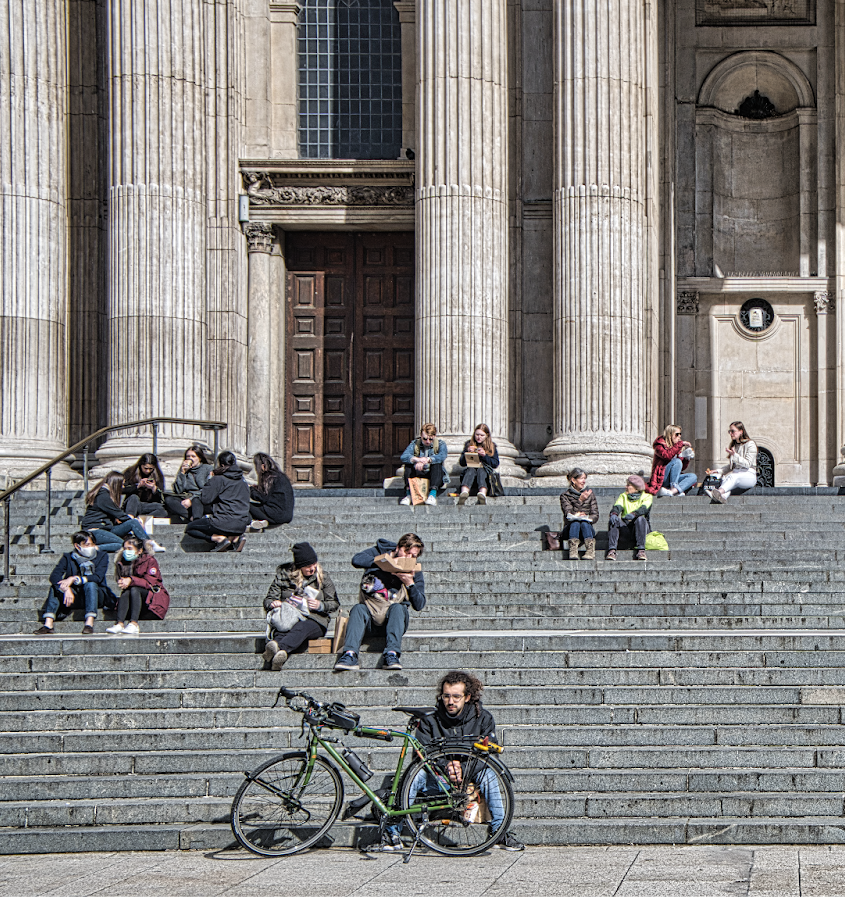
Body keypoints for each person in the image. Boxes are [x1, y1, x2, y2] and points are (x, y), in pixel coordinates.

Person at [383, 671, 524, 852]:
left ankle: (500, 832)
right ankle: (392, 831)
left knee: (490, 773)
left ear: (467, 697)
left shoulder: (483, 718)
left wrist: (463, 769)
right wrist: (446, 767)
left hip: (471, 776)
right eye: (446, 696)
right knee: (415, 774)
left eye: (456, 696)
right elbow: (421, 754)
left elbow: (490, 755)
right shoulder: (429, 719)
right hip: (438, 778)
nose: (450, 701)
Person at [334, 533, 425, 672]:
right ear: (398, 547)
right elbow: (357, 560)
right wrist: (383, 563)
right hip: (370, 617)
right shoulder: (379, 552)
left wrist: (410, 583)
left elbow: (419, 605)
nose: (408, 558)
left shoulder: (414, 570)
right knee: (358, 609)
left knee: (398, 608)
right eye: (406, 552)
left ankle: (392, 654)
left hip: (394, 621)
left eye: (413, 556)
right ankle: (349, 654)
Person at [262, 542, 339, 671]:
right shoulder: (284, 576)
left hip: (315, 619)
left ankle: (277, 648)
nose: (312, 569)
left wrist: (321, 605)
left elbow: (334, 603)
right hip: (289, 617)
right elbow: (268, 600)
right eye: (308, 566)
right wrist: (273, 603)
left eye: (314, 564)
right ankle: (279, 654)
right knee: (284, 628)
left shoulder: (323, 577)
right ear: (299, 566)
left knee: (301, 628)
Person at [33, 531, 111, 635]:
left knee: (90, 583)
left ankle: (89, 623)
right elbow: (54, 576)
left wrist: (74, 578)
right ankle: (48, 624)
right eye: (87, 545)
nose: (91, 547)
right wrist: (66, 588)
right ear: (77, 546)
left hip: (96, 595)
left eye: (92, 544)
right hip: (75, 596)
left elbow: (98, 577)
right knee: (56, 587)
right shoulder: (68, 557)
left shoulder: (101, 556)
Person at [184, 451, 251, 552]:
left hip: (222, 523)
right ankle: (235, 538)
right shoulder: (242, 481)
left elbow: (205, 499)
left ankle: (218, 539)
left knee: (191, 528)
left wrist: (210, 480)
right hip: (242, 524)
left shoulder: (219, 479)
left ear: (222, 465)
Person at [79, 471, 159, 552]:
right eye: (122, 484)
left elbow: (125, 490)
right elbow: (118, 513)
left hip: (107, 528)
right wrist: (136, 522)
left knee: (133, 523)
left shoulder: (107, 492)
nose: (123, 487)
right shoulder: (103, 495)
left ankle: (149, 543)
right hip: (95, 530)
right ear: (116, 484)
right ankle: (94, 548)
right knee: (123, 545)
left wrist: (139, 486)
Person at [106, 536, 170, 635]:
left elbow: (151, 583)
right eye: (125, 548)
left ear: (139, 551)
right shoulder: (122, 562)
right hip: (133, 602)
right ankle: (120, 623)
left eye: (130, 549)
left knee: (134, 589)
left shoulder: (149, 561)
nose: (126, 551)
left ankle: (134, 624)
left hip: (152, 601)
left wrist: (131, 580)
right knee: (127, 591)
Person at [705, 421, 758, 504]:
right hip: (737, 473)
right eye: (729, 431)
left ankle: (718, 493)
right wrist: (718, 471)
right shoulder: (734, 445)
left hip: (749, 474)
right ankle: (722, 497)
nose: (731, 433)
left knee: (733, 477)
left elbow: (748, 464)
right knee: (725, 479)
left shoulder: (750, 444)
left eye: (733, 431)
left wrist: (735, 455)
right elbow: (732, 467)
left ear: (741, 431)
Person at [399, 424, 448, 506]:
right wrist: (417, 460)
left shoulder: (440, 444)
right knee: (408, 465)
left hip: (433, 474)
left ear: (434, 436)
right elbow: (403, 457)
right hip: (419, 472)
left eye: (430, 439)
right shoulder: (415, 444)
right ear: (421, 436)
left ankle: (432, 495)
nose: (428, 441)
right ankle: (409, 495)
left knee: (437, 465)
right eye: (425, 439)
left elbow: (442, 456)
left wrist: (428, 460)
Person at [606, 474, 652, 561]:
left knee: (640, 519)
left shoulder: (647, 497)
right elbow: (617, 506)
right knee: (614, 520)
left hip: (640, 529)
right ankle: (612, 550)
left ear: (636, 488)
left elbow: (644, 509)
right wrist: (614, 514)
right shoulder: (623, 496)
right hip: (626, 528)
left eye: (628, 485)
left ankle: (641, 550)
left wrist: (634, 514)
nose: (626, 487)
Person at [164, 445, 213, 522]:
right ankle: (190, 517)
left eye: (193, 456)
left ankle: (195, 517)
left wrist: (191, 500)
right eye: (188, 456)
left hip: (200, 498)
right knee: (169, 500)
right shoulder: (184, 470)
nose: (190, 458)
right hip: (186, 497)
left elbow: (208, 489)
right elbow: (178, 490)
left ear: (199, 458)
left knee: (196, 501)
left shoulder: (208, 469)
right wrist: (182, 473)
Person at [646, 425, 697, 497]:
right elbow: (667, 455)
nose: (679, 436)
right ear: (670, 435)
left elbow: (680, 469)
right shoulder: (660, 445)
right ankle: (675, 487)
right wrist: (680, 444)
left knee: (693, 476)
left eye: (680, 434)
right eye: (677, 434)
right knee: (677, 461)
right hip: (661, 477)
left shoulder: (677, 447)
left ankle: (673, 491)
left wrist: (686, 458)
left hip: (672, 478)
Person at [559, 468, 599, 560]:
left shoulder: (590, 495)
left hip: (587, 528)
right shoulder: (565, 496)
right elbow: (568, 513)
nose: (583, 481)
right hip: (571, 529)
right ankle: (573, 550)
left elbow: (595, 514)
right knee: (575, 522)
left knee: (584, 523)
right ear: (573, 480)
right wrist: (580, 501)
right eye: (581, 478)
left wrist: (587, 517)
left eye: (584, 478)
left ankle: (590, 550)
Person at [248, 452, 294, 530]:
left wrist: (250, 490)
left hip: (276, 514)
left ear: (263, 467)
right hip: (286, 515)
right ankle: (262, 522)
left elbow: (262, 497)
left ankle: (250, 522)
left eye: (256, 467)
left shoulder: (268, 477)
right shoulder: (280, 476)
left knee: (244, 505)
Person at [457, 424, 499, 506]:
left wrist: (484, 456)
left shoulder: (492, 446)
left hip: (485, 477)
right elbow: (462, 463)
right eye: (477, 434)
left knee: (481, 470)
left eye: (482, 435)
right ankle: (464, 493)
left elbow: (495, 463)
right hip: (470, 476)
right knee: (471, 469)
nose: (479, 437)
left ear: (487, 435)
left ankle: (482, 494)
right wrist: (467, 453)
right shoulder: (469, 444)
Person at [122, 454, 168, 518]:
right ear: (141, 465)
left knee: (163, 510)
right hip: (132, 503)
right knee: (134, 497)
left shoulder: (158, 475)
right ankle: (130, 519)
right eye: (145, 468)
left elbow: (161, 496)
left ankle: (143, 519)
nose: (148, 471)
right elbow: (122, 489)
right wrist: (137, 486)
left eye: (150, 469)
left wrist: (154, 488)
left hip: (147, 505)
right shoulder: (130, 472)